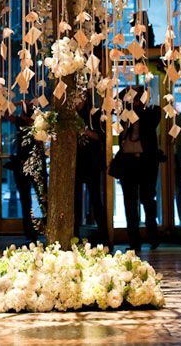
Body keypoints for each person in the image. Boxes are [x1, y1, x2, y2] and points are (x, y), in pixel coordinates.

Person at [117, 85, 162, 252]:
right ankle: (134, 241)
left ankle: (153, 236)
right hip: (128, 164)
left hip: (146, 163)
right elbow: (119, 100)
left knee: (148, 200)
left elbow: (153, 119)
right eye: (131, 98)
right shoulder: (124, 115)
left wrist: (143, 100)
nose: (133, 101)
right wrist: (128, 94)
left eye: (136, 98)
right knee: (130, 203)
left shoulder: (150, 113)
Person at [5, 105, 47, 242]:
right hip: (28, 165)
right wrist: (18, 103)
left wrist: (17, 104)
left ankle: (34, 230)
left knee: (37, 199)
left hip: (30, 164)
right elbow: (6, 113)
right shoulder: (29, 123)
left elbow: (7, 114)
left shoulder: (35, 124)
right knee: (37, 199)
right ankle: (32, 231)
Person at [74, 92, 108, 246]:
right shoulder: (71, 114)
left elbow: (102, 137)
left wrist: (85, 130)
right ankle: (74, 234)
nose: (76, 101)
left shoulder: (95, 113)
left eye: (79, 98)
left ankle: (104, 235)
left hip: (92, 163)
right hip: (76, 163)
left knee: (95, 199)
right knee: (75, 201)